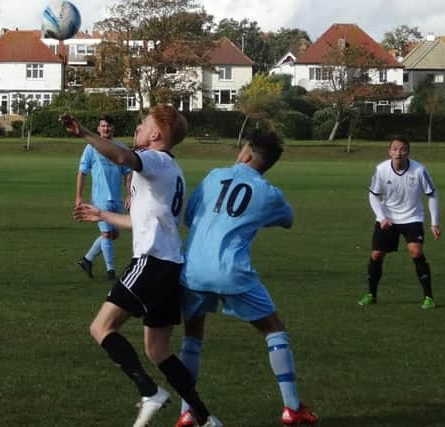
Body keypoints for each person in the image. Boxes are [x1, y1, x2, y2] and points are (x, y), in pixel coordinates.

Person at [60, 105, 221, 427]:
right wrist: (103, 215)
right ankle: (205, 418)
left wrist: (86, 134)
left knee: (101, 327)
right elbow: (143, 219)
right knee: (158, 350)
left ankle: (150, 392)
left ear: (157, 135)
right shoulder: (169, 171)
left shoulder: (156, 160)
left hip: (150, 263)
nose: (137, 128)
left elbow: (121, 157)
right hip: (169, 266)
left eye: (143, 124)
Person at [175, 130, 318, 427]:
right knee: (273, 329)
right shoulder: (269, 193)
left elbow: (189, 217)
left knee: (192, 337)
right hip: (230, 270)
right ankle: (292, 407)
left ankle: (187, 411)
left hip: (193, 268)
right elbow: (287, 220)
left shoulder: (215, 175)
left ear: (248, 153)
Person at [358, 135, 441, 310]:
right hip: (388, 218)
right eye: (395, 149)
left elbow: (432, 194)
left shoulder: (419, 170)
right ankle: (371, 294)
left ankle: (429, 297)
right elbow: (373, 195)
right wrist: (381, 217)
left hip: (412, 217)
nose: (398, 152)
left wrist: (434, 223)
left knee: (416, 251)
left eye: (402, 149)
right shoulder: (381, 170)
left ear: (408, 152)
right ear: (389, 152)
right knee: (376, 255)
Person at [75, 115, 132, 280]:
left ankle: (87, 259)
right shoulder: (91, 148)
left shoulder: (121, 148)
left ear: (113, 128)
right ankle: (111, 271)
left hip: (117, 198)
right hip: (100, 199)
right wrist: (78, 195)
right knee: (107, 235)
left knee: (114, 234)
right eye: (103, 126)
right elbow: (82, 172)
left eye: (109, 126)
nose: (106, 129)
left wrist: (129, 193)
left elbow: (127, 174)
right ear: (98, 129)